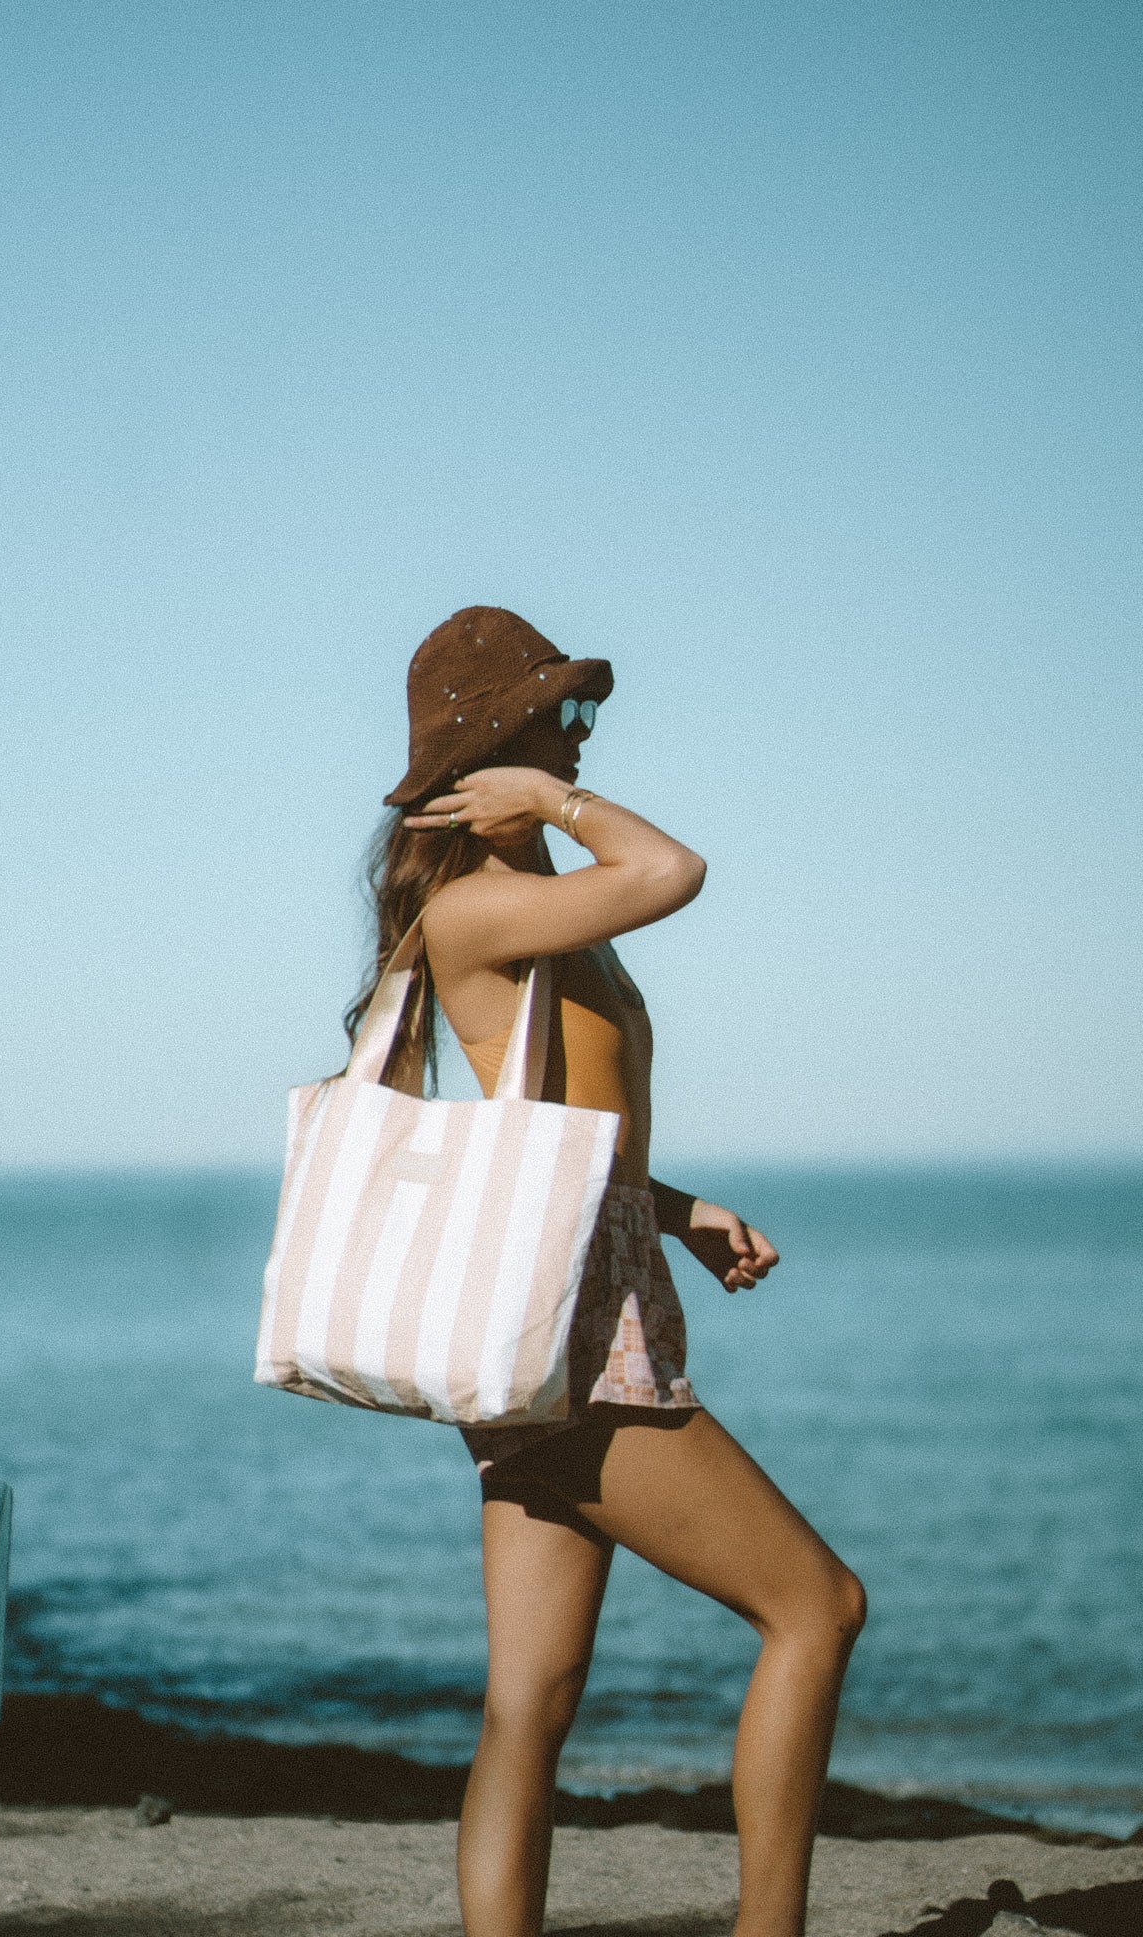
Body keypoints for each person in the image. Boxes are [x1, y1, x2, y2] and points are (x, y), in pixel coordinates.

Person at [355, 606, 866, 1937]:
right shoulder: (481, 912)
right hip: (570, 1331)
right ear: (492, 748)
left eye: (582, 719)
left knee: (532, 1698)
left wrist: (678, 1210)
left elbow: (568, 1125)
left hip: (568, 1300)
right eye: (557, 717)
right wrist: (566, 802)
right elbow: (674, 866)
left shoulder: (532, 915)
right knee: (817, 1607)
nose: (580, 734)